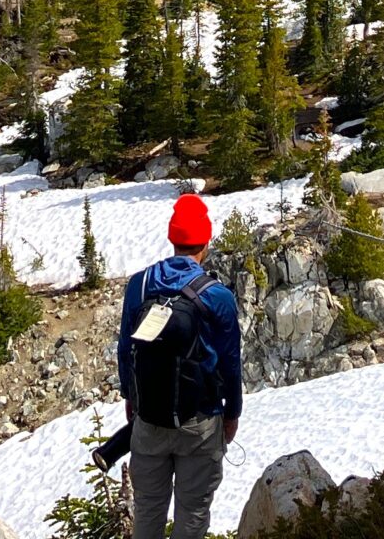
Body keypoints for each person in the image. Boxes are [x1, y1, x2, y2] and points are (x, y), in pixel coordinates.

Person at [115, 192, 242, 539]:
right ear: (206, 242)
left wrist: (131, 397)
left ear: (173, 238)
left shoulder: (139, 286)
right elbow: (230, 364)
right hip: (200, 423)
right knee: (193, 514)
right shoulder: (218, 296)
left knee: (148, 512)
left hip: (149, 419)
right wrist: (232, 414)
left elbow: (126, 349)